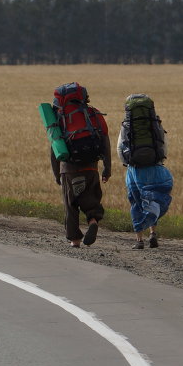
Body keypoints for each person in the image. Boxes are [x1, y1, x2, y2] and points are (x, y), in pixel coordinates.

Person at [49, 83, 112, 247]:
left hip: (69, 169)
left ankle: (75, 239)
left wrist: (57, 174)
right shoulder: (94, 114)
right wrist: (107, 167)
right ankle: (92, 221)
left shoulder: (60, 118)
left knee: (70, 205)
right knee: (91, 198)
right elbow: (105, 141)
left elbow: (54, 148)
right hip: (91, 167)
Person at [118, 93, 173, 249]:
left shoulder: (126, 125)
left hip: (135, 170)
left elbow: (120, 147)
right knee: (152, 200)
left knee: (136, 202)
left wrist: (127, 163)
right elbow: (163, 143)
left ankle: (139, 240)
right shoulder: (155, 122)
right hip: (155, 166)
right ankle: (153, 234)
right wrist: (158, 160)